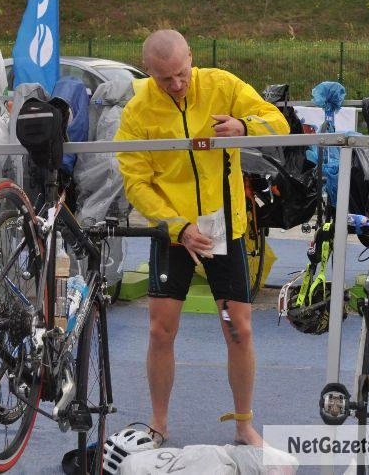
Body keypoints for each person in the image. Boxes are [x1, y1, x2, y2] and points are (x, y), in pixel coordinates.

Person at [115, 29, 289, 447]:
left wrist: (245, 125)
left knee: (238, 329)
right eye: (164, 79)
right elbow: (135, 183)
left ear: (191, 57)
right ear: (149, 74)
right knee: (161, 330)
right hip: (174, 230)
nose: (176, 85)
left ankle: (244, 426)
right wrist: (176, 226)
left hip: (221, 226)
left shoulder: (221, 85)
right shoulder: (137, 112)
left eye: (181, 73)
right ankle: (158, 424)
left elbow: (279, 121)